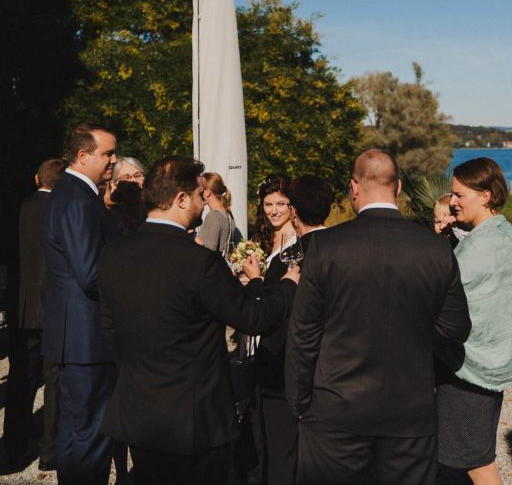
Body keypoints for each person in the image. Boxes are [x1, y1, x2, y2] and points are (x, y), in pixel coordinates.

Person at [96, 156, 300, 485]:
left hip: (138, 411)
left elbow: (110, 329)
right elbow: (253, 318)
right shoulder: (200, 263)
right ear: (180, 199)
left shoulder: (112, 255)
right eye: (200, 195)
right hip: (194, 421)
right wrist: (288, 286)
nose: (205, 203)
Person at [286, 149, 471, 484]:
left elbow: (304, 335)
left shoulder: (326, 247)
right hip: (409, 413)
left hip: (336, 411)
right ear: (398, 187)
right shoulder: (435, 248)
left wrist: (300, 403)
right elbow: (456, 327)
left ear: (354, 187)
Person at [441, 157, 512, 485]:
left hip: (470, 370)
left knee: (478, 464)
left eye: (459, 195)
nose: (451, 202)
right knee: (475, 457)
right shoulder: (507, 235)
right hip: (494, 365)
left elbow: (442, 296)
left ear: (485, 196)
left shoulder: (480, 246)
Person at [41, 123, 121, 484]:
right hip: (86, 339)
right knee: (87, 434)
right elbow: (89, 274)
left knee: (80, 431)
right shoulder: (76, 198)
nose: (114, 160)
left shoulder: (74, 193)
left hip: (81, 336)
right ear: (83, 155)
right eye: (108, 154)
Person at [255, 174, 334, 485]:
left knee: (281, 454)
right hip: (330, 372)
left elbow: (272, 314)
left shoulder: (289, 259)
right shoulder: (340, 249)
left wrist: (258, 285)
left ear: (295, 211)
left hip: (282, 370)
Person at [3, 158, 65, 470]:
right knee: (53, 379)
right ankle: (49, 449)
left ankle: (13, 445)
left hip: (20, 306)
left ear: (35, 178)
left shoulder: (17, 209)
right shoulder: (62, 211)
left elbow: (4, 256)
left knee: (19, 379)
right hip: (53, 305)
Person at [195, 172, 242, 252]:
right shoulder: (228, 214)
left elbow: (208, 252)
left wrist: (192, 237)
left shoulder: (214, 216)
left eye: (200, 189)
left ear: (207, 192)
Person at [256, 173, 297, 264]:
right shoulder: (262, 237)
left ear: (291, 205)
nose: (274, 211)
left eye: (280, 204)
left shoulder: (297, 240)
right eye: (268, 204)